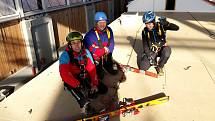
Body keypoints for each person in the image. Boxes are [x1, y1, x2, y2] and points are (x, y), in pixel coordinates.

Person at [59, 32, 108, 114]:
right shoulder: (65, 56)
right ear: (70, 45)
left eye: (78, 42)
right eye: (73, 43)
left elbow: (92, 69)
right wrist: (78, 85)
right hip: (74, 80)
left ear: (82, 43)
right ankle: (85, 105)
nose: (77, 45)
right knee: (81, 97)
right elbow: (64, 74)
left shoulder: (86, 52)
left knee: (103, 90)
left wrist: (94, 84)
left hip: (85, 76)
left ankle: (88, 90)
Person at [137, 11, 179, 76]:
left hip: (162, 49)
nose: (148, 26)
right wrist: (149, 56)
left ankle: (160, 66)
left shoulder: (161, 25)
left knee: (167, 51)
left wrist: (167, 24)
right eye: (146, 24)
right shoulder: (144, 31)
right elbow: (145, 45)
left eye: (149, 23)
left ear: (153, 21)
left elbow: (176, 28)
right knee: (143, 67)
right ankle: (153, 60)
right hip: (152, 51)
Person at [84, 11, 118, 80]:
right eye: (100, 23)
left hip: (106, 54)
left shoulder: (109, 30)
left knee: (113, 70)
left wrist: (109, 51)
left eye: (104, 22)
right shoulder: (90, 35)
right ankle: (98, 68)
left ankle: (107, 64)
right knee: (101, 76)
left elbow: (111, 42)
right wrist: (102, 51)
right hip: (96, 58)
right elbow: (89, 49)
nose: (102, 24)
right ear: (96, 23)